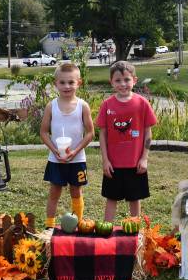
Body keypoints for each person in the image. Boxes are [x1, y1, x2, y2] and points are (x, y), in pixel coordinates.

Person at [96, 61, 157, 221]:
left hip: (135, 164)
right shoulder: (107, 105)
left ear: (134, 80)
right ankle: (106, 230)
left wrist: (144, 158)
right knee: (111, 198)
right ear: (111, 82)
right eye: (118, 80)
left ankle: (135, 231)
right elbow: (102, 134)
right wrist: (105, 160)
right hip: (113, 165)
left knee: (134, 198)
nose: (122, 84)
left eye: (126, 80)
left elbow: (148, 132)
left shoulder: (142, 103)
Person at [40, 62, 94, 229]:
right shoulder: (51, 106)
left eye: (71, 82)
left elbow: (90, 133)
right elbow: (43, 132)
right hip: (56, 160)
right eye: (62, 82)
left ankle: (77, 225)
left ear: (79, 83)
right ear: (55, 83)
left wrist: (76, 151)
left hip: (77, 159)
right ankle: (49, 226)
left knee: (76, 191)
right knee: (54, 192)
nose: (66, 86)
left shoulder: (82, 106)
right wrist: (54, 150)